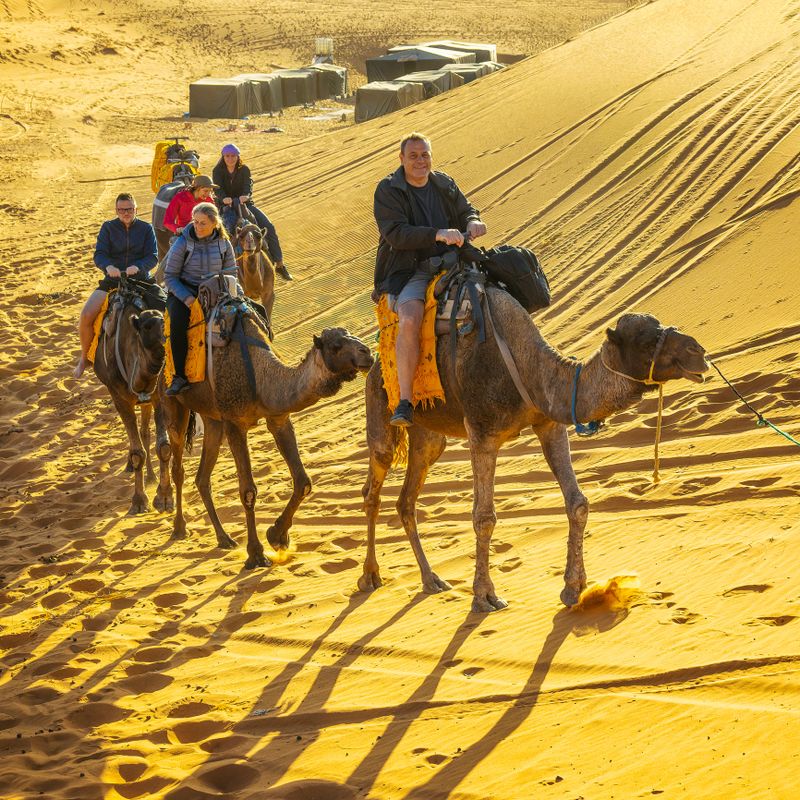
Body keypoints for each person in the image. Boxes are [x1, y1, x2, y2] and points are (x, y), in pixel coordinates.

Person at [373, 132, 487, 427]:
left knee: (500, 290)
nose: (420, 161)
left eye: (425, 155)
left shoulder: (443, 183)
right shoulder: (388, 190)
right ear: (401, 159)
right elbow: (395, 233)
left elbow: (465, 209)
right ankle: (406, 402)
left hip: (452, 261)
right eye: (413, 156)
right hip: (411, 269)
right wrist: (436, 233)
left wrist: (472, 222)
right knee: (410, 317)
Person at [74, 193, 160, 378]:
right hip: (113, 280)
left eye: (129, 209)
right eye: (121, 210)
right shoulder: (108, 228)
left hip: (141, 279)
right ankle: (84, 358)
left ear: (135, 209)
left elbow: (153, 256)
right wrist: (108, 266)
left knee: (167, 309)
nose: (126, 213)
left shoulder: (146, 228)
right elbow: (99, 254)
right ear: (116, 211)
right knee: (86, 316)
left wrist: (139, 267)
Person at [163, 202, 236, 396]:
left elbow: (231, 272)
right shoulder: (182, 242)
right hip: (184, 292)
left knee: (246, 315)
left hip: (216, 292)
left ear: (215, 223)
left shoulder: (224, 243)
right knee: (178, 324)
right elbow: (169, 276)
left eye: (202, 223)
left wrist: (237, 294)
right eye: (195, 222)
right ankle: (179, 376)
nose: (197, 226)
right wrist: (187, 299)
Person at [212, 143, 293, 281]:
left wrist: (246, 195)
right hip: (225, 206)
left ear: (238, 157)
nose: (230, 159)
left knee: (269, 227)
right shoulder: (217, 171)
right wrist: (223, 197)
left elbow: (248, 185)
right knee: (217, 235)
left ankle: (279, 264)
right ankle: (216, 269)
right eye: (227, 156)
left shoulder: (244, 169)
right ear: (223, 157)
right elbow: (217, 188)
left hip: (245, 204)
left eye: (233, 156)